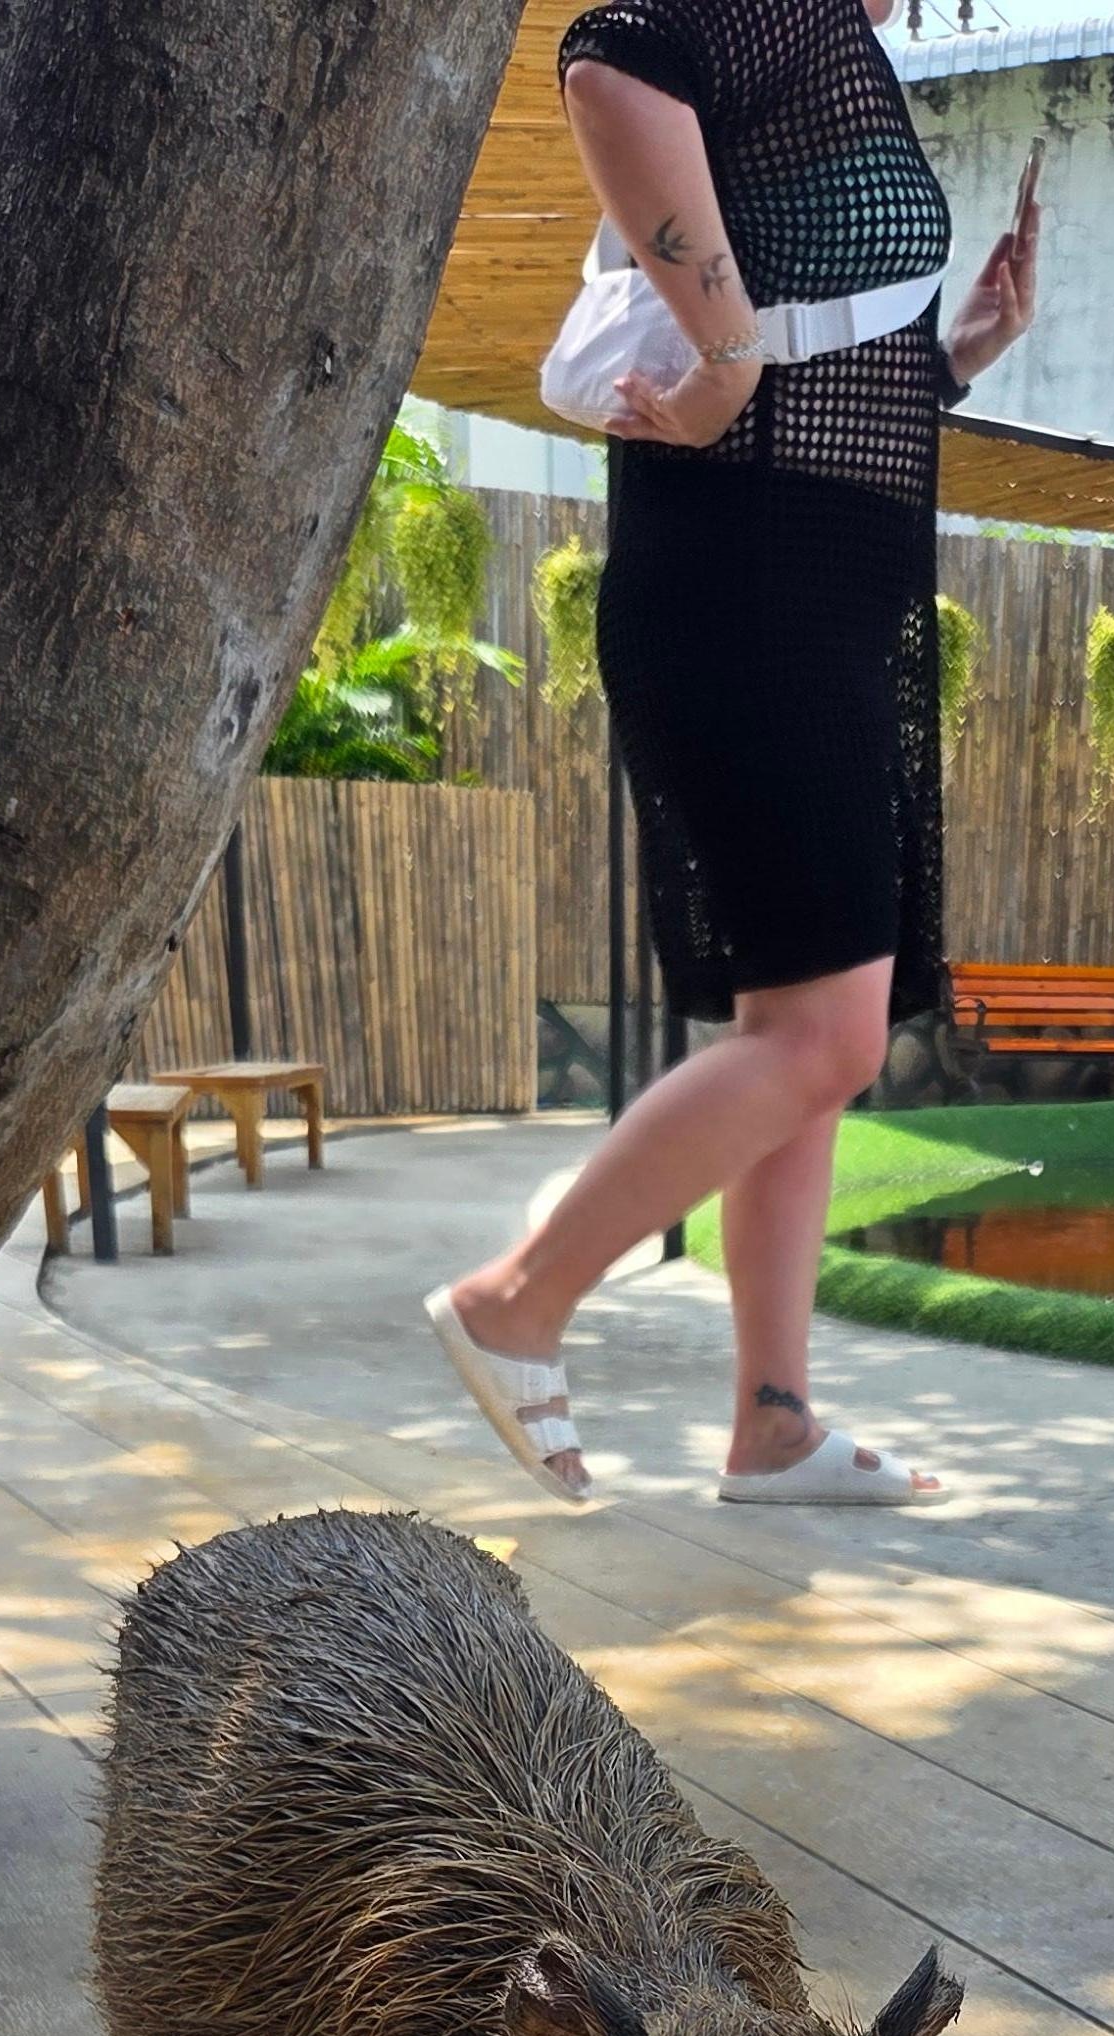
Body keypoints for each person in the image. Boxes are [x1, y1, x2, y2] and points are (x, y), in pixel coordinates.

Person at [427, 0, 1040, 1506]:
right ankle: (517, 1301)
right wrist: (725, 354)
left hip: (813, 585)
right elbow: (612, 60)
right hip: (752, 589)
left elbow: (807, 367)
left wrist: (954, 357)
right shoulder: (770, 9)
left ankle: (774, 1425)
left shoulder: (836, 42)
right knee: (823, 1039)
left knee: (807, 1033)